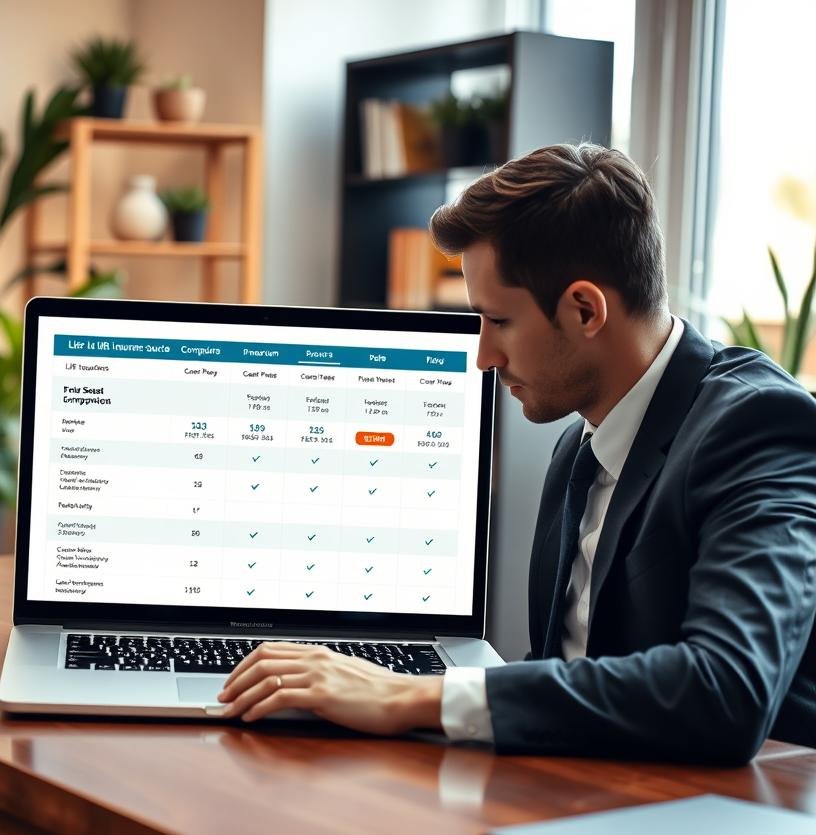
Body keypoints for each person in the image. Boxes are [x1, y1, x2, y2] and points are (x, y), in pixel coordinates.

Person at [218, 142, 816, 762]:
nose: (484, 356)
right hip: (590, 789)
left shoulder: (756, 427)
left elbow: (728, 690)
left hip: (736, 815)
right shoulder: (579, 447)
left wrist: (411, 698)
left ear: (585, 309)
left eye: (498, 321)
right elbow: (567, 672)